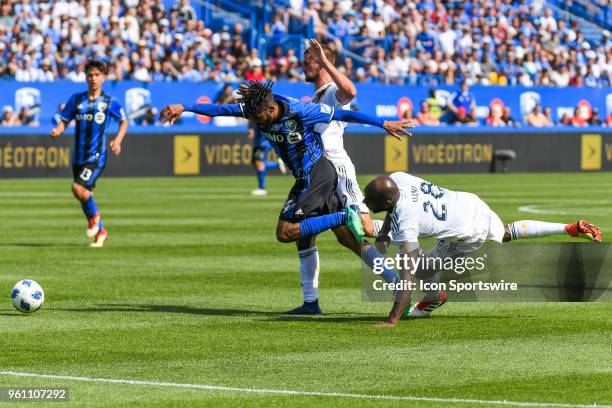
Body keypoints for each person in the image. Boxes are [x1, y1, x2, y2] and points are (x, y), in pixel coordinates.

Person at [159, 80, 413, 304]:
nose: (256, 122)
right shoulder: (256, 108)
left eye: (259, 117)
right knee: (342, 238)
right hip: (309, 176)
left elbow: (343, 116)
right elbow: (220, 110)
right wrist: (185, 107)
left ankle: (345, 216)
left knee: (286, 232)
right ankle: (383, 284)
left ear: (271, 109)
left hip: (316, 174)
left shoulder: (301, 111)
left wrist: (383, 123)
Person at [363, 173, 602, 327]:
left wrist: (392, 318)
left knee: (421, 270)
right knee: (506, 232)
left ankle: (436, 298)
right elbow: (391, 207)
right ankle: (568, 228)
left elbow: (407, 274)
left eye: (369, 199)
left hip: (466, 231)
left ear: (384, 202)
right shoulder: (397, 179)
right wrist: (383, 233)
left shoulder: (406, 221)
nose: (365, 201)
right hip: (469, 202)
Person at [281, 39, 406, 315]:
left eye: (309, 60)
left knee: (364, 230)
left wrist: (324, 60)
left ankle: (414, 232)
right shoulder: (315, 98)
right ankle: (311, 302)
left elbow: (350, 90)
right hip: (317, 175)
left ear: (324, 61)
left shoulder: (330, 93)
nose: (304, 64)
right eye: (305, 60)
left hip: (337, 174)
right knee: (315, 235)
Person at [50, 61, 128, 248]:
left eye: (97, 75)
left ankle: (94, 219)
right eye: (90, 75)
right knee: (84, 193)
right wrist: (58, 130)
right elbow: (64, 120)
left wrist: (117, 140)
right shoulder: (76, 100)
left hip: (96, 156)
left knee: (77, 188)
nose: (93, 79)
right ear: (85, 77)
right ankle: (100, 231)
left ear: (103, 77)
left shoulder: (110, 102)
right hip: (78, 156)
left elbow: (124, 121)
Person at [249, 119, 286, 196]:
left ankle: (262, 188)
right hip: (257, 144)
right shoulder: (256, 119)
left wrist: (264, 144)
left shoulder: (263, 119)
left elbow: (266, 132)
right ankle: (277, 165)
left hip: (262, 144)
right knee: (258, 164)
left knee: (259, 163)